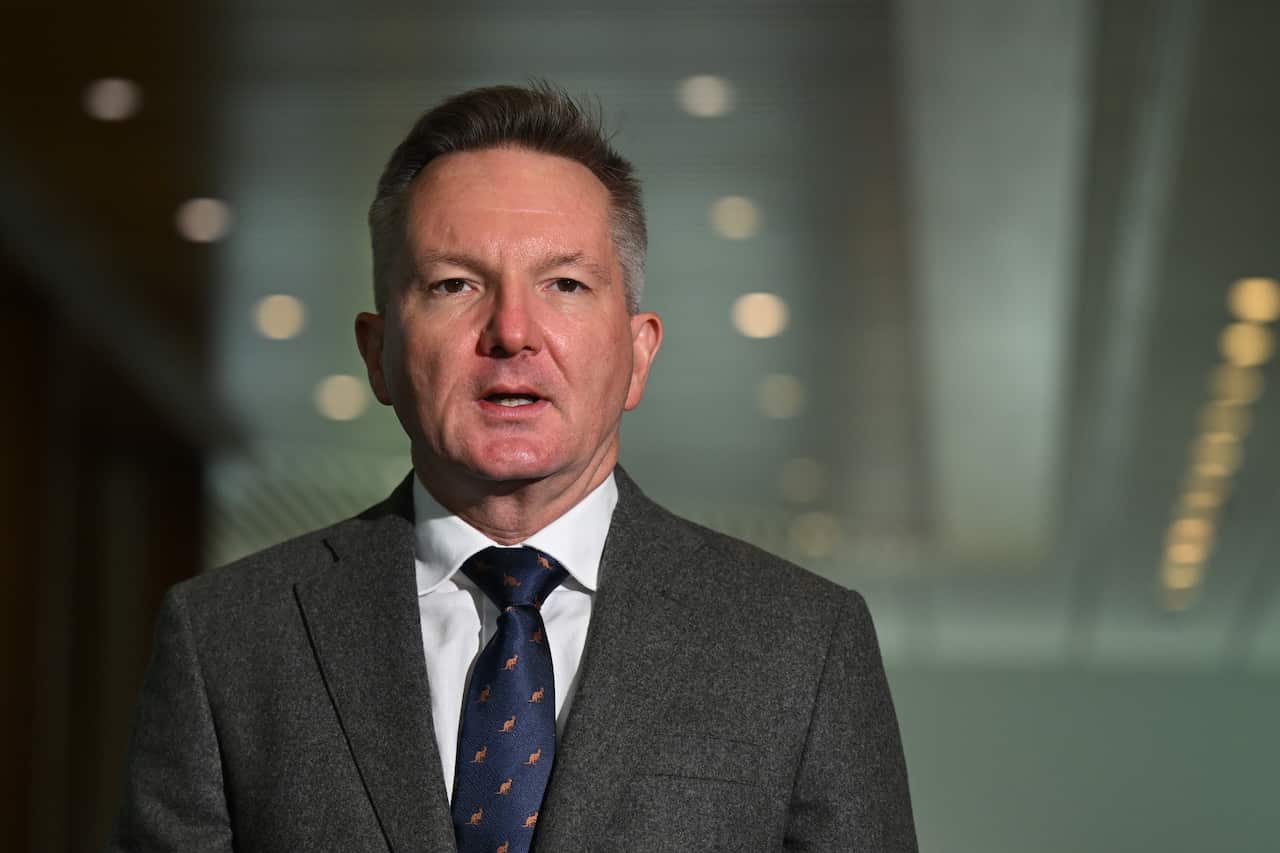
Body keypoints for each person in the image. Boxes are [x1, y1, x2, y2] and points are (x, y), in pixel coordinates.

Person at [108, 83, 917, 852]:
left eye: (564, 283)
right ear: (377, 353)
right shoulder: (227, 640)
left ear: (637, 355)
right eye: (455, 284)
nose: (512, 332)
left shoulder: (801, 646)